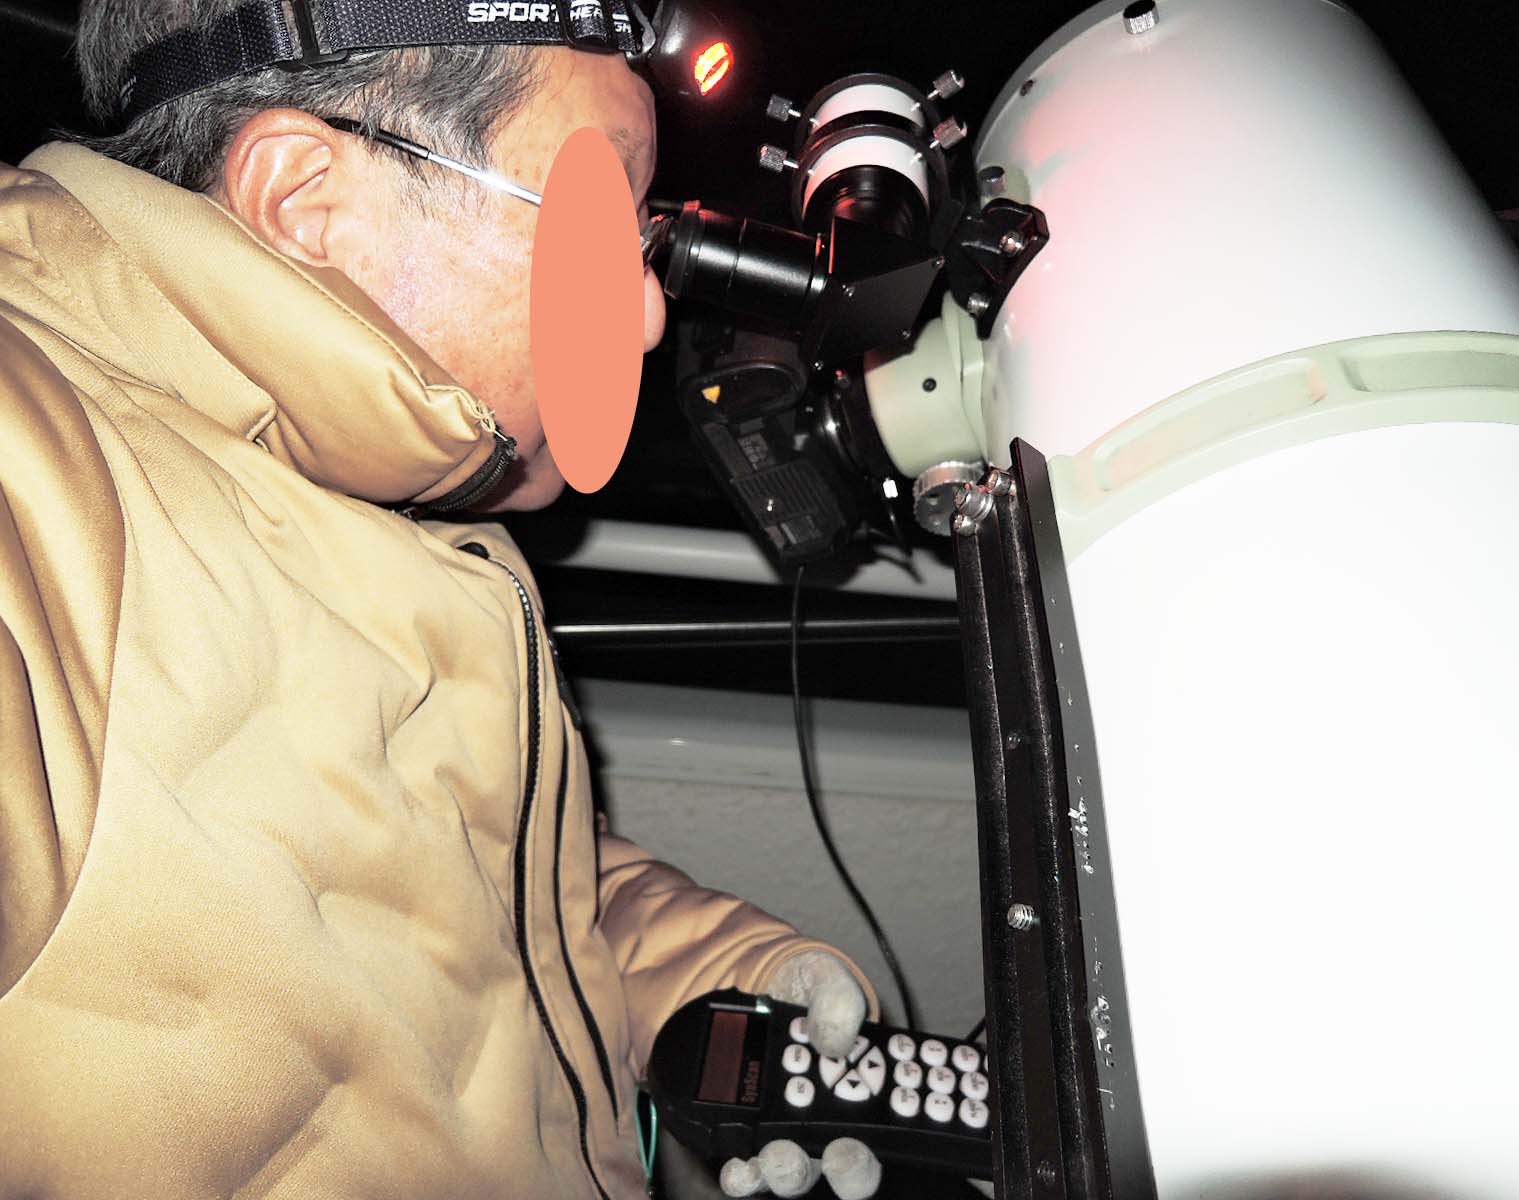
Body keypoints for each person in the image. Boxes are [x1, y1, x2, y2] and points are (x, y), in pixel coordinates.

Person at [0, 3, 884, 1196]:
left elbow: (467, 877)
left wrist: (712, 984)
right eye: (596, 225)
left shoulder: (383, 486)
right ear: (308, 204)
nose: (648, 313)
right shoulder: (26, 481)